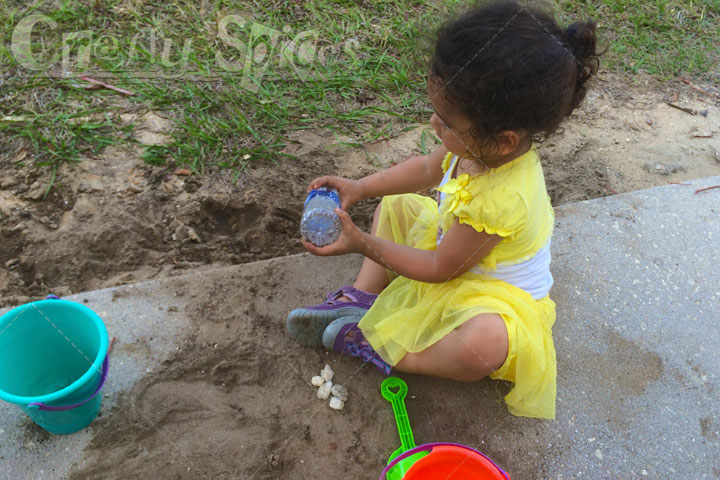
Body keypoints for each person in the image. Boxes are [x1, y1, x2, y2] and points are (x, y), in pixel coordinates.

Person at [287, 1, 600, 419]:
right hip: (450, 249)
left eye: (448, 122)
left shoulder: (502, 197)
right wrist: (359, 187)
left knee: (486, 345)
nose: (436, 125)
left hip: (484, 289)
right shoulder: (477, 145)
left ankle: (390, 351)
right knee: (396, 203)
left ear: (503, 141)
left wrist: (360, 242)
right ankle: (365, 297)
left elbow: (438, 268)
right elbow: (424, 169)